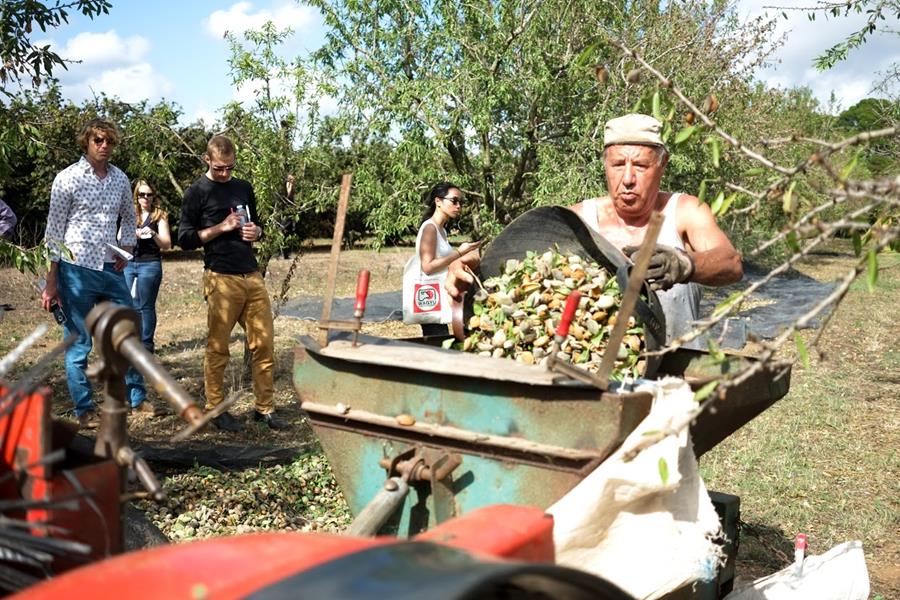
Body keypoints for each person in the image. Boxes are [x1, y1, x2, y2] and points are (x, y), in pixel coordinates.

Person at [447, 113, 742, 344]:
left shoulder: (685, 211)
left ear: (662, 165)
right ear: (605, 165)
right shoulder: (579, 220)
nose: (627, 178)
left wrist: (683, 263)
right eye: (617, 165)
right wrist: (474, 265)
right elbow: (521, 266)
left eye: (640, 165)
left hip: (676, 373)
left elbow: (730, 263)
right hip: (600, 381)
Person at [41, 118, 148, 428]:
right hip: (76, 269)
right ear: (86, 142)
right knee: (79, 342)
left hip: (110, 268)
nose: (104, 146)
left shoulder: (120, 179)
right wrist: (52, 280)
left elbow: (129, 217)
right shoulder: (67, 178)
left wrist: (125, 251)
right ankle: (84, 408)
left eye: (109, 141)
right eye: (98, 140)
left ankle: (137, 399)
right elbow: (54, 231)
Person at [178, 135, 287, 432]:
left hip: (251, 275)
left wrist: (258, 232)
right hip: (221, 277)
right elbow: (185, 239)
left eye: (230, 168)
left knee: (264, 344)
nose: (225, 173)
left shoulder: (243, 187)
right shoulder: (196, 192)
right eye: (220, 168)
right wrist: (220, 228)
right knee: (219, 348)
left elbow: (258, 223)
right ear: (207, 160)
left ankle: (264, 409)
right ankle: (215, 408)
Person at [413, 182, 481, 336]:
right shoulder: (430, 228)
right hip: (431, 298)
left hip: (440, 297)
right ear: (438, 201)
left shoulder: (441, 230)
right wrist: (459, 253)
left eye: (461, 203)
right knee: (437, 345)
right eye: (454, 201)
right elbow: (428, 267)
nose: (458, 206)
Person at [123, 180, 171, 352]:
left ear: (153, 196)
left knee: (146, 306)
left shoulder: (159, 215)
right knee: (130, 304)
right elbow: (119, 238)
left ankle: (147, 345)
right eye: (141, 194)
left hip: (149, 264)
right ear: (136, 196)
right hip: (129, 263)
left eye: (149, 194)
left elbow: (167, 244)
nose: (145, 198)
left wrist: (153, 233)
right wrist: (131, 235)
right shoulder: (129, 214)